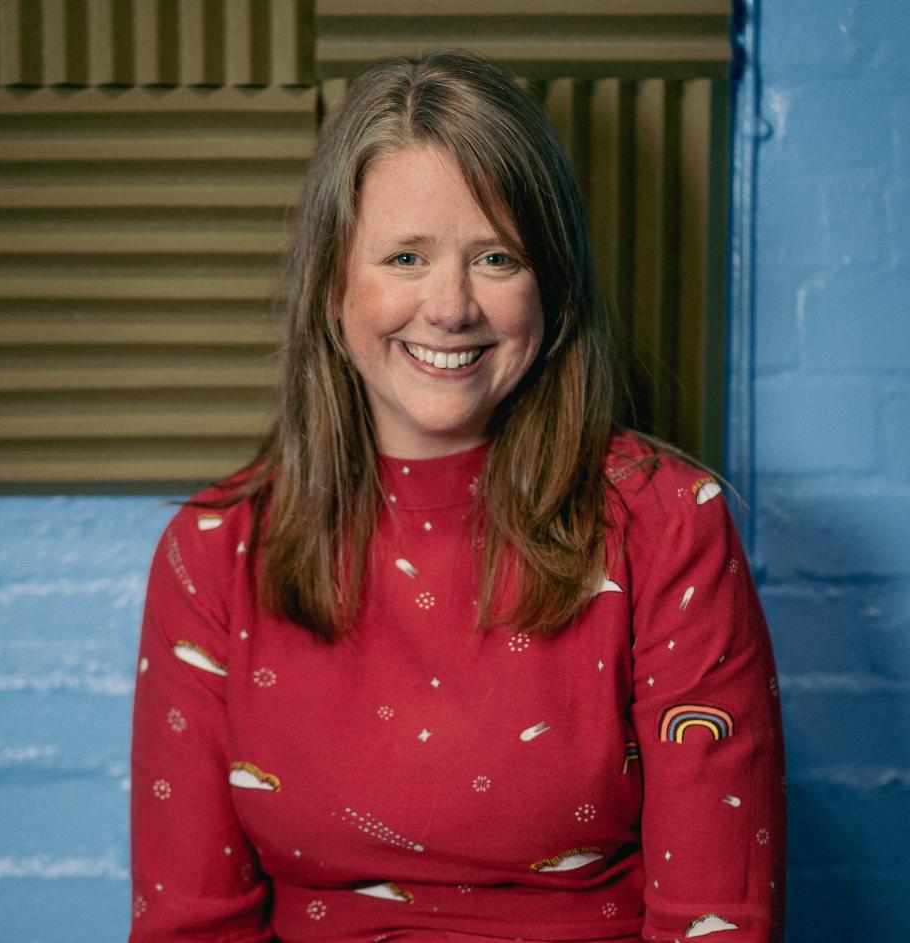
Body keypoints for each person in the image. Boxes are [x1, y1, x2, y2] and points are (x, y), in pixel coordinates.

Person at [129, 51, 786, 943]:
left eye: (495, 257)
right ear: (332, 287)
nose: (449, 306)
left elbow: (719, 922)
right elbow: (189, 927)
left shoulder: (670, 524)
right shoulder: (213, 551)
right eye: (405, 255)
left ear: (549, 286)